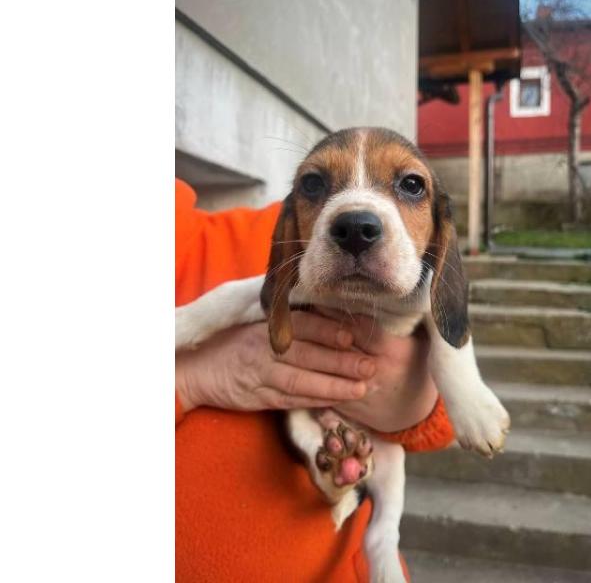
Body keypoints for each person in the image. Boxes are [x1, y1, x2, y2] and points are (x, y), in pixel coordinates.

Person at [174, 179, 454, 582]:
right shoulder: (297, 227)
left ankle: (369, 521)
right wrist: (187, 380)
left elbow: (446, 409)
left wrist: (419, 399)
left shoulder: (294, 224)